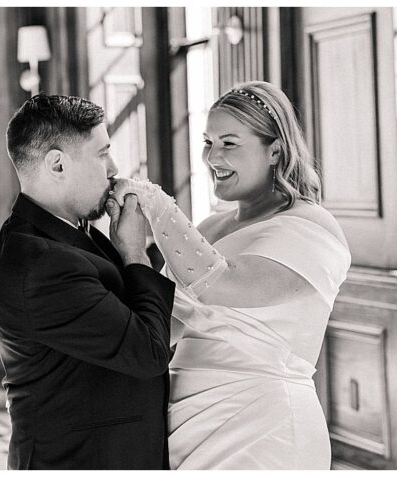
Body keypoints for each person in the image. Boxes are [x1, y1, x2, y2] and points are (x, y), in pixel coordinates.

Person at [111, 80, 351, 469]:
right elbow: (164, 324)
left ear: (275, 150)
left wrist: (155, 203)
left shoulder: (311, 225)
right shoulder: (207, 229)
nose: (212, 157)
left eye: (229, 143)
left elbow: (222, 285)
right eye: (208, 143)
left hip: (264, 425)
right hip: (185, 420)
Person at [0, 93, 176, 470]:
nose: (114, 167)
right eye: (102, 152)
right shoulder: (40, 263)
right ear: (57, 164)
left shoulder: (70, 232)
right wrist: (135, 255)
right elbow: (148, 352)